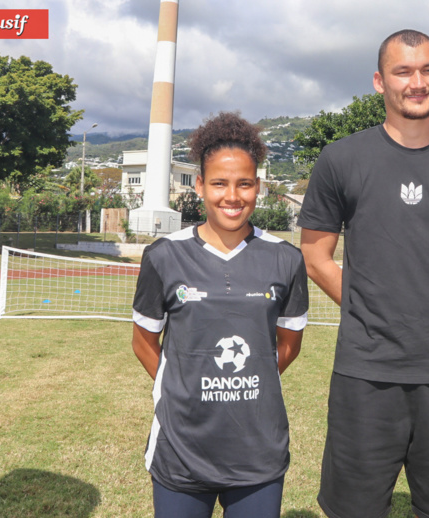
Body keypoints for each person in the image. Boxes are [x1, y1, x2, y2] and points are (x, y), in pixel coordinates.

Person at [298, 29, 429, 518]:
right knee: (352, 507)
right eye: (403, 71)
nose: (417, 82)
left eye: (428, 70)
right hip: (365, 370)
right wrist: (368, 308)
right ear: (380, 81)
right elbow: (315, 256)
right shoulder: (341, 159)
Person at [131, 112, 308, 518]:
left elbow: (288, 345)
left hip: (257, 450)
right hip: (182, 448)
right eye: (219, 183)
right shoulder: (163, 256)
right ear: (199, 186)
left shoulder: (285, 259)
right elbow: (143, 342)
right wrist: (183, 387)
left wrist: (248, 382)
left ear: (258, 187)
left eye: (244, 184)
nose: (233, 196)